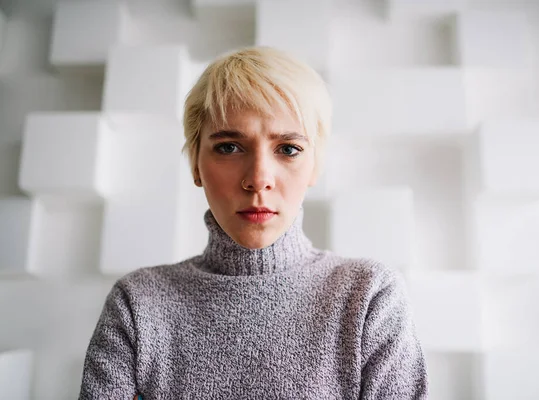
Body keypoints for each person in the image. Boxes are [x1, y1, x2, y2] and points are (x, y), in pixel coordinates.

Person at [78, 46, 428, 399]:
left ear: (315, 166)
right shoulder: (138, 303)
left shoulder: (368, 296)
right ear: (195, 166)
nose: (259, 179)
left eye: (288, 149)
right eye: (229, 147)